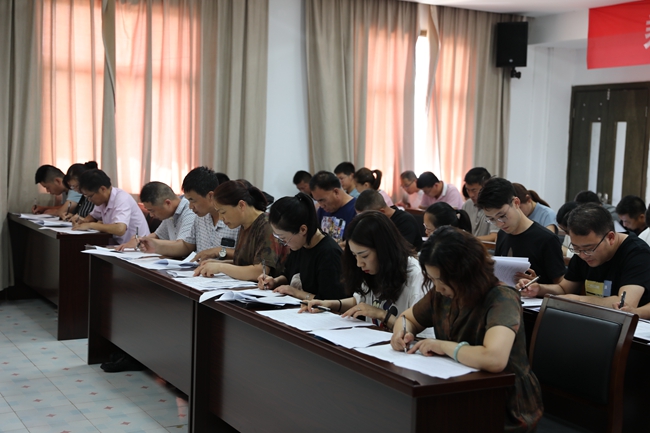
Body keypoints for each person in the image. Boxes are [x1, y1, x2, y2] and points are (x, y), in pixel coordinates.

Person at [391, 226, 542, 433]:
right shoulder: (442, 294)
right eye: (432, 279)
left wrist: (443, 346)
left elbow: (494, 359)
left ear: (465, 273)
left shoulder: (502, 297)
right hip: (455, 389)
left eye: (442, 280)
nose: (438, 287)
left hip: (501, 404)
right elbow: (407, 318)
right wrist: (401, 332)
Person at [301, 211, 430, 333]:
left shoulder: (416, 277)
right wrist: (329, 304)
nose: (359, 263)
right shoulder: (372, 269)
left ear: (383, 250)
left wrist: (382, 315)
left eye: (364, 256)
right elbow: (361, 301)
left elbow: (420, 336)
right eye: (355, 255)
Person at [520, 203, 650, 310]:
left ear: (610, 238)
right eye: (576, 248)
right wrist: (538, 289)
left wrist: (577, 300)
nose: (582, 255)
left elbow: (624, 304)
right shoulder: (583, 250)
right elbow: (563, 288)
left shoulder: (637, 253)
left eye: (589, 249)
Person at [137, 167, 239, 261]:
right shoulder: (200, 217)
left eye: (193, 200)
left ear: (210, 196)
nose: (190, 206)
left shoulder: (235, 219)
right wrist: (155, 246)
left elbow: (244, 258)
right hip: (198, 272)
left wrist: (220, 253)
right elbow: (186, 246)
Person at [477, 177, 565, 285]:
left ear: (516, 202)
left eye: (502, 216)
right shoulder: (502, 235)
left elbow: (561, 287)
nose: (499, 224)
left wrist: (537, 287)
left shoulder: (547, 239)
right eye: (491, 219)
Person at [259, 192, 345, 301]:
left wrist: (295, 292)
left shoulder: (329, 254)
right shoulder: (300, 244)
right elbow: (289, 274)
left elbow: (330, 301)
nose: (283, 243)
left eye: (284, 238)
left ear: (303, 230)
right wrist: (274, 281)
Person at [195, 180, 287, 281]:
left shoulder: (266, 225)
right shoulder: (244, 225)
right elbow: (242, 264)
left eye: (223, 212)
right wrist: (216, 263)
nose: (221, 218)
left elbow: (260, 271)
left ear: (241, 205)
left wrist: (220, 267)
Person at [72, 169, 150, 244]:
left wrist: (91, 225)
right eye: (87, 197)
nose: (89, 200)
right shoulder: (103, 200)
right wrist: (82, 222)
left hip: (138, 247)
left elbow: (120, 229)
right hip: (119, 245)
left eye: (90, 196)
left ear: (103, 189)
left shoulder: (122, 198)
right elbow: (93, 216)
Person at [116, 181, 196, 250]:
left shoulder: (190, 211)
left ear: (167, 203)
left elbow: (183, 246)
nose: (151, 215)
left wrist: (146, 243)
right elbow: (157, 235)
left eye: (152, 211)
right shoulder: (170, 214)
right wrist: (139, 240)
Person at [354, 189, 422, 250]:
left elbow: (400, 252)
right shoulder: (376, 222)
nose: (363, 221)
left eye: (367, 217)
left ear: (382, 212)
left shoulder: (405, 221)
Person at [309, 171, 356, 241]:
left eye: (322, 200)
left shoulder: (356, 210)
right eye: (318, 201)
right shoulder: (322, 211)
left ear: (336, 192)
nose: (321, 205)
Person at [460, 167, 497, 242]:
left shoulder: (495, 205)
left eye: (474, 190)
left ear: (486, 187)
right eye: (468, 190)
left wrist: (470, 240)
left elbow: (494, 236)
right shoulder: (467, 205)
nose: (471, 195)